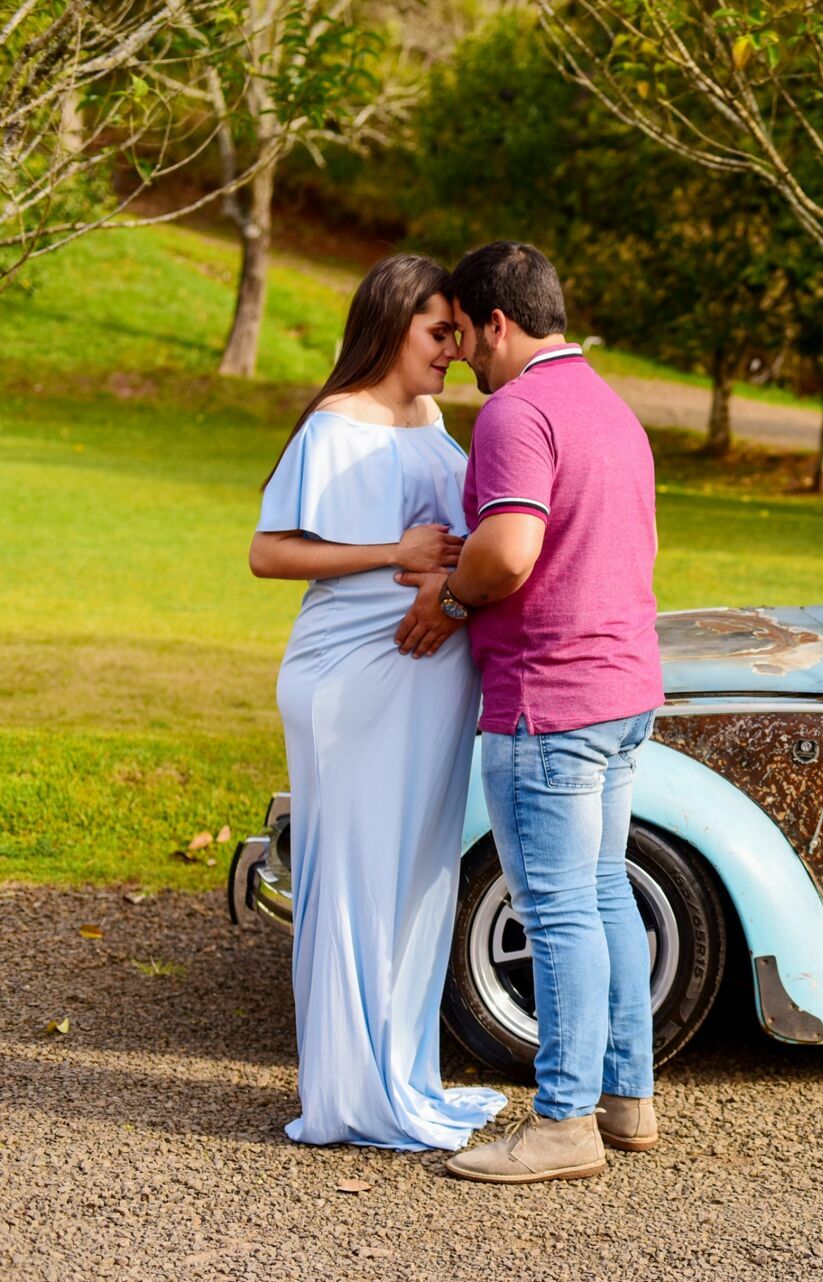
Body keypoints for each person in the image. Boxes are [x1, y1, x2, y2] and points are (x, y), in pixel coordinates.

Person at [390, 241, 665, 1185]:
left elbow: (508, 554)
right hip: (623, 693)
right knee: (599, 893)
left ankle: (563, 1124)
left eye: (463, 331)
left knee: (556, 914)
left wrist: (449, 599)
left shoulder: (518, 410)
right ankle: (628, 1099)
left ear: (496, 322)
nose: (460, 352)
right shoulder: (609, 405)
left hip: (549, 701)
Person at [249, 254, 508, 1150]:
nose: (454, 348)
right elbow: (269, 554)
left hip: (430, 677)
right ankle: (348, 1094)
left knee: (416, 876)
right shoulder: (334, 425)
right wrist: (386, 552)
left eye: (459, 333)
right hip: (354, 676)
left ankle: (400, 1072)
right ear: (393, 322)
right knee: (356, 877)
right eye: (440, 331)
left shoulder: (431, 417)